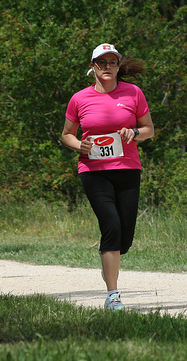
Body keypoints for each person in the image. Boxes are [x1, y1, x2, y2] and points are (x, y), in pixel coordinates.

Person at [62, 43, 154, 311]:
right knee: (111, 226)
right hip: (93, 171)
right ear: (93, 67)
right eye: (101, 63)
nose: (107, 67)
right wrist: (80, 145)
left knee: (125, 237)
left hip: (127, 169)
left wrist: (134, 133)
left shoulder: (133, 93)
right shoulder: (79, 98)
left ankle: (109, 264)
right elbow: (67, 133)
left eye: (112, 62)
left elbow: (149, 129)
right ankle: (113, 294)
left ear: (117, 66)